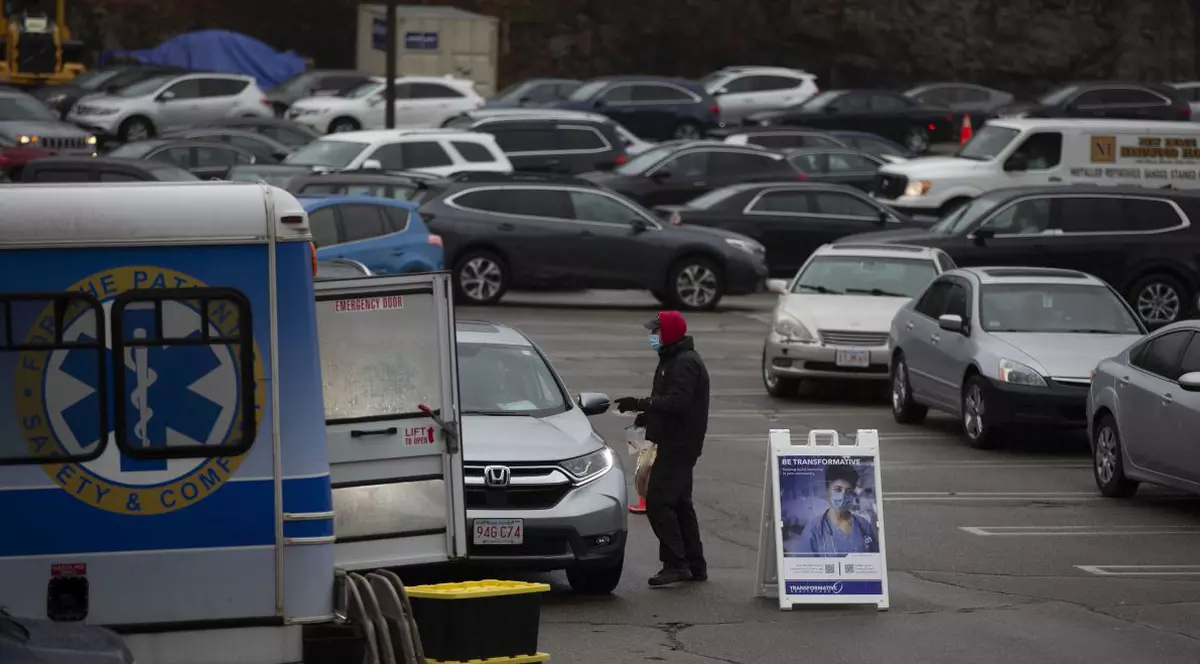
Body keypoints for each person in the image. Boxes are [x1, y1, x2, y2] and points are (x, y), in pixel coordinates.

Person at [614, 311, 710, 587]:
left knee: (658, 501)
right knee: (680, 503)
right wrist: (645, 416)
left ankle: (675, 564)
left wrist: (643, 404)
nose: (651, 337)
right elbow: (666, 400)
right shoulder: (672, 359)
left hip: (679, 444)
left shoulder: (684, 363)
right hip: (675, 440)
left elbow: (678, 403)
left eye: (655, 332)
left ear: (668, 333)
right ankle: (694, 564)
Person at [795, 464, 879, 556]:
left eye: (848, 491)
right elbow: (804, 566)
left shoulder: (864, 526)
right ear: (827, 491)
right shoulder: (814, 529)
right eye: (838, 490)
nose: (843, 496)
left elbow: (875, 560)